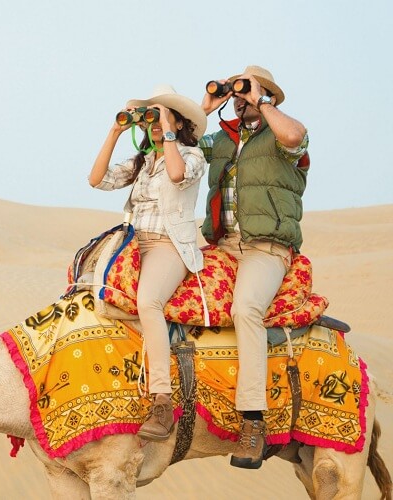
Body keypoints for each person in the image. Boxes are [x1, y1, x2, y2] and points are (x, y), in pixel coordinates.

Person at [199, 65, 309, 469]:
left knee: (245, 308)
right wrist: (207, 106)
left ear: (268, 96)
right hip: (224, 245)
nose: (240, 97)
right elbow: (184, 146)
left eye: (247, 90)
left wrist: (261, 99)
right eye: (237, 91)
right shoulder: (222, 140)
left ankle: (252, 420)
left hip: (267, 248)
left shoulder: (283, 137)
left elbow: (295, 137)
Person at [88, 85, 207, 442]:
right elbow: (96, 180)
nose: (152, 123)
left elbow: (176, 175)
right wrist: (115, 131)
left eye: (160, 114)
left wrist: (167, 129)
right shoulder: (142, 162)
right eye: (149, 117)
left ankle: (162, 400)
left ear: (178, 121)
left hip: (169, 245)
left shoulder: (191, 155)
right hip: (132, 244)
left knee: (148, 302)